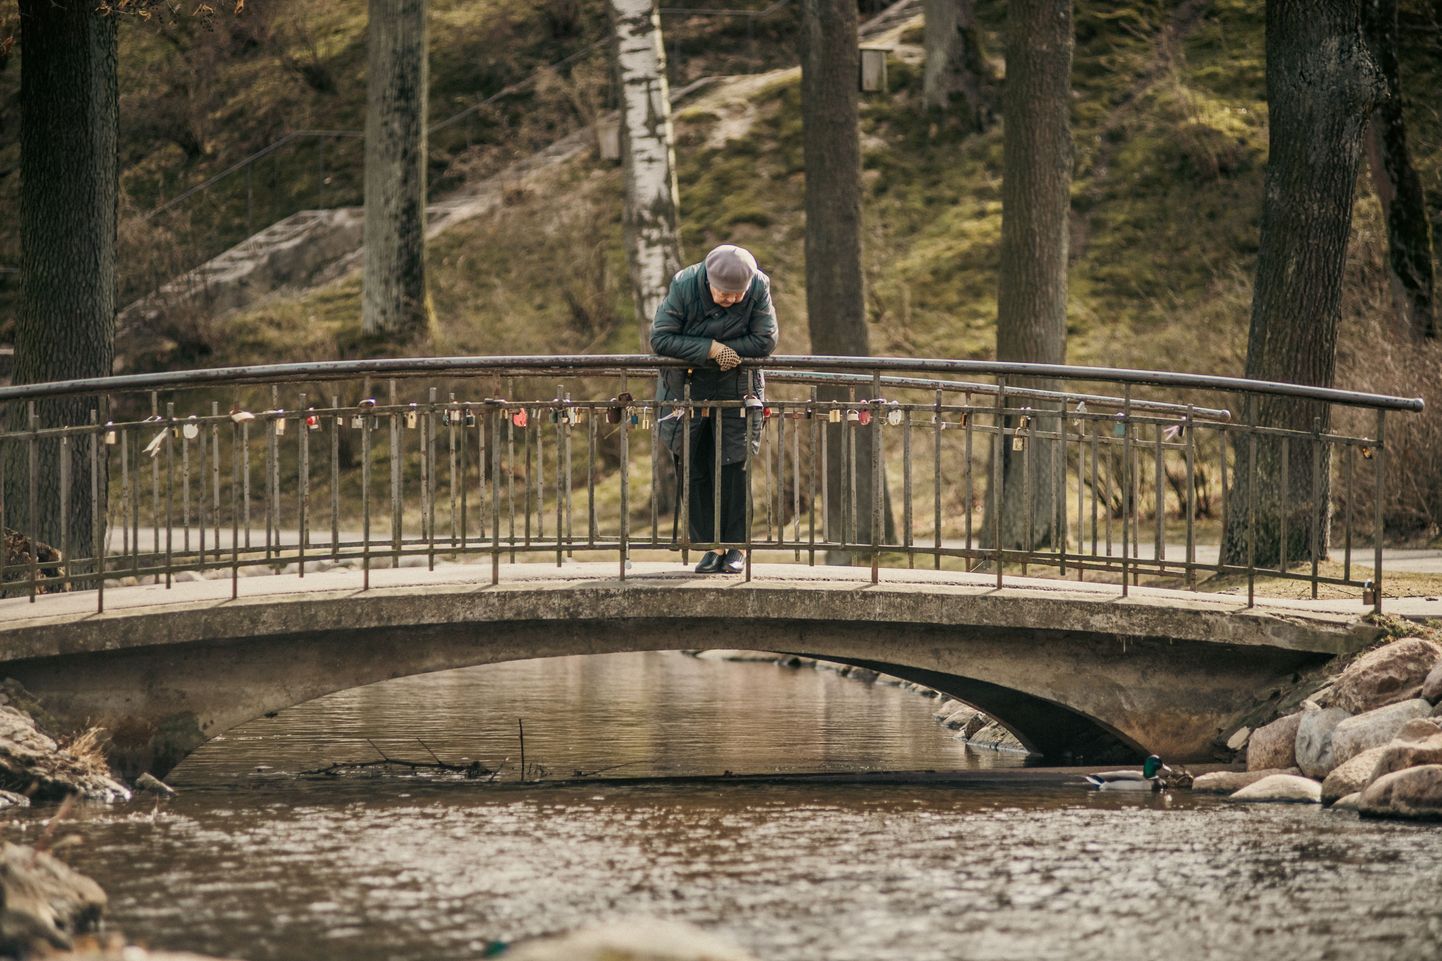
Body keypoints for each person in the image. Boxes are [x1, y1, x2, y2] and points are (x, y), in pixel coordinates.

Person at [651, 244, 778, 574]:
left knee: (734, 465)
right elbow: (662, 338)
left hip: (737, 389)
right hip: (686, 391)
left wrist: (727, 353)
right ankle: (709, 545)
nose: (732, 300)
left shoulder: (759, 286)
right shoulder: (684, 285)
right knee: (693, 465)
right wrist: (710, 349)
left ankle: (736, 546)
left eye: (739, 295)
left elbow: (765, 340)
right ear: (708, 281)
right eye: (724, 294)